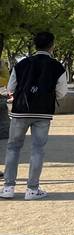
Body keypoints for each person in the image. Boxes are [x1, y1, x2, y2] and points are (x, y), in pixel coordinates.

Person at [1, 31, 67, 200]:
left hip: (20, 110)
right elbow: (61, 92)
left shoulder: (22, 64)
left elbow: (10, 88)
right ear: (52, 45)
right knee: (37, 149)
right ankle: (32, 189)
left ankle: (8, 187)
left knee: (13, 147)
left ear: (35, 44)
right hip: (43, 112)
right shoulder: (57, 66)